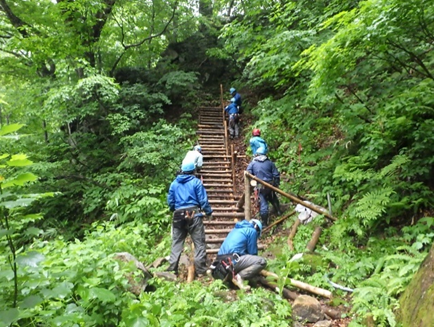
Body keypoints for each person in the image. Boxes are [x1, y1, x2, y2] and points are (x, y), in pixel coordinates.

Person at [167, 162, 213, 276]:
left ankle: (172, 269)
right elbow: (203, 200)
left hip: (178, 215)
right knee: (199, 242)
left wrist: (175, 209)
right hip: (194, 214)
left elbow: (170, 202)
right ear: (194, 171)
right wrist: (208, 212)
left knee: (177, 243)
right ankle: (201, 269)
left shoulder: (174, 184)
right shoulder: (196, 182)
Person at [213, 219, 266, 289]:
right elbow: (252, 253)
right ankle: (238, 278)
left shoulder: (236, 229)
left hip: (220, 265)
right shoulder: (252, 231)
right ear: (257, 229)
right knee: (261, 261)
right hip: (231, 260)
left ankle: (231, 276)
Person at [246, 147, 281, 226]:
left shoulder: (253, 163)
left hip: (260, 186)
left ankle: (265, 223)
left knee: (263, 203)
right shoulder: (270, 163)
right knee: (273, 197)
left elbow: (248, 173)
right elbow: (276, 175)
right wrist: (276, 184)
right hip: (270, 185)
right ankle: (278, 211)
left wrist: (252, 182)